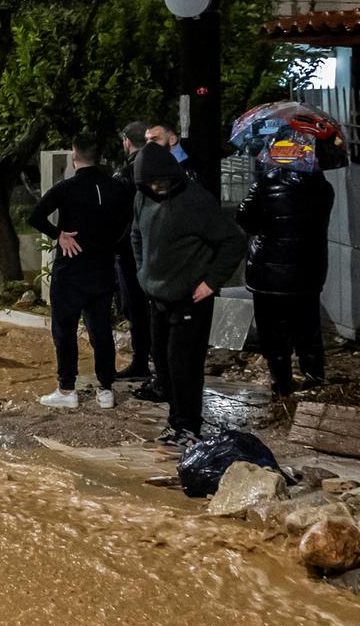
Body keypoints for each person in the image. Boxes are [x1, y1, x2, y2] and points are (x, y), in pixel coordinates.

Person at [131, 142, 247, 448]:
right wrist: (143, 273)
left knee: (184, 364)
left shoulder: (196, 201)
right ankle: (176, 422)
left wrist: (210, 283)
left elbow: (234, 242)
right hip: (157, 294)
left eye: (161, 182)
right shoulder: (142, 198)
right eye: (150, 183)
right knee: (163, 362)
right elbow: (136, 235)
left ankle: (188, 427)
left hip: (191, 298)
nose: (157, 187)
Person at [28, 135, 131, 410]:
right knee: (101, 331)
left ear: (74, 157)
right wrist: (110, 245)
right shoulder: (117, 189)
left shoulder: (66, 188)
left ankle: (67, 389)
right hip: (102, 271)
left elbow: (35, 216)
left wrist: (59, 235)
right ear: (99, 157)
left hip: (70, 271)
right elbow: (128, 224)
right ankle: (106, 389)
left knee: (64, 331)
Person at [238, 160, 335, 396]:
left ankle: (282, 386)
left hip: (268, 274)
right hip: (308, 271)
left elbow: (244, 217)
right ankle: (314, 382)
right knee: (309, 329)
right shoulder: (323, 187)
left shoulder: (264, 184)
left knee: (273, 333)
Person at [115, 121, 157, 384]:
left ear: (127, 142)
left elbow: (120, 216)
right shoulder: (161, 169)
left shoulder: (128, 173)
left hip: (131, 251)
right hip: (157, 249)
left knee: (136, 308)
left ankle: (142, 362)